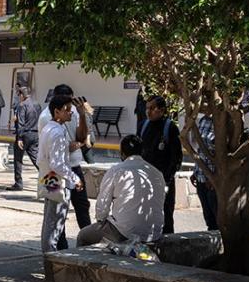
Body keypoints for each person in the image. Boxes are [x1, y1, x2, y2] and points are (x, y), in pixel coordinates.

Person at [77, 135, 165, 246]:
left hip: (124, 232)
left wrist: (101, 221)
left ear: (122, 154)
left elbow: (102, 205)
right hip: (154, 233)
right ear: (142, 152)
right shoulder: (156, 173)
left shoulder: (116, 171)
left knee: (83, 236)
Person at [37, 83, 92, 248]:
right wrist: (74, 179)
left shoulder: (53, 127)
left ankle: (80, 247)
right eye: (68, 108)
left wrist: (82, 115)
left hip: (52, 174)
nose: (71, 111)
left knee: (54, 220)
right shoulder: (53, 127)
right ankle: (55, 256)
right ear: (57, 111)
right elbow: (57, 162)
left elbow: (44, 157)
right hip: (58, 176)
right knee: (55, 220)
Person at [140, 96, 183, 234]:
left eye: (152, 108)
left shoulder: (170, 128)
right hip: (145, 180)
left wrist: (167, 180)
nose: (148, 111)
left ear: (162, 110)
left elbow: (176, 157)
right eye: (147, 108)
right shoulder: (144, 126)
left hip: (163, 180)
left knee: (165, 215)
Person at [9, 86, 40, 191]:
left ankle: (18, 183)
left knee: (18, 159)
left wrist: (19, 138)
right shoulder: (37, 104)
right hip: (35, 133)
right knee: (36, 159)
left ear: (22, 95)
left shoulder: (22, 105)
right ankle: (48, 177)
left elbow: (21, 123)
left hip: (25, 134)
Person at [190, 114, 218, 231]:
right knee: (209, 219)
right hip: (201, 177)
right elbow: (200, 149)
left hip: (213, 182)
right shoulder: (203, 120)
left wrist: (214, 177)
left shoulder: (221, 122)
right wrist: (195, 172)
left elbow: (223, 154)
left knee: (218, 219)